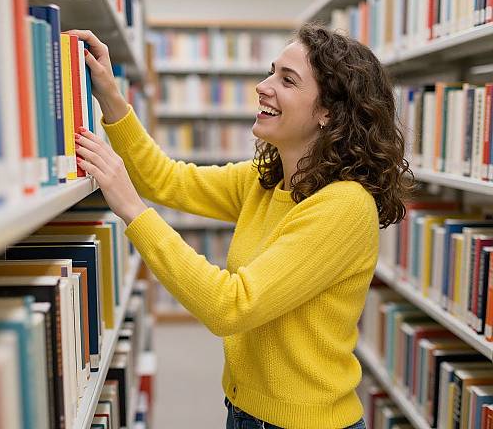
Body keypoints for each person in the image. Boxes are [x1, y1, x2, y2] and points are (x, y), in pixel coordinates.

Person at [69, 22, 413, 429]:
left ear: (328, 113)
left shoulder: (343, 207)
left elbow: (231, 306)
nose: (263, 86)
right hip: (245, 412)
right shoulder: (267, 180)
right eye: (271, 71)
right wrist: (109, 93)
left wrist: (132, 211)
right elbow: (165, 179)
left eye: (287, 80)